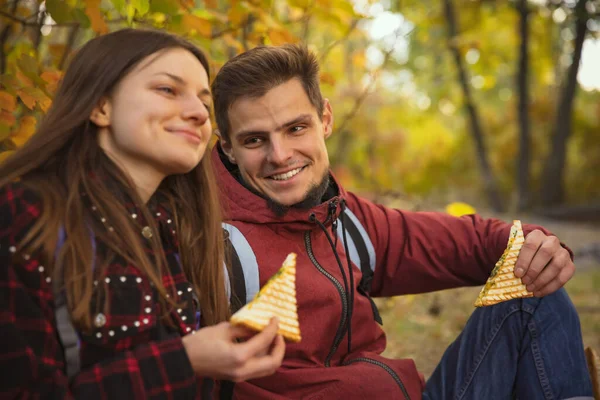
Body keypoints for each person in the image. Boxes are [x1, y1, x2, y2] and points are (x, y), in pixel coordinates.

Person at [210, 44, 594, 399]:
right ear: (227, 145)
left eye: (296, 128)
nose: (279, 155)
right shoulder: (213, 242)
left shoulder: (343, 218)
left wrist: (533, 243)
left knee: (531, 286)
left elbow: (464, 241)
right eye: (255, 140)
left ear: (325, 119)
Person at [0, 29, 285, 399]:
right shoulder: (25, 215)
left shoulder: (178, 229)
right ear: (100, 106)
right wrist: (184, 361)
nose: (200, 113)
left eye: (204, 102)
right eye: (168, 90)